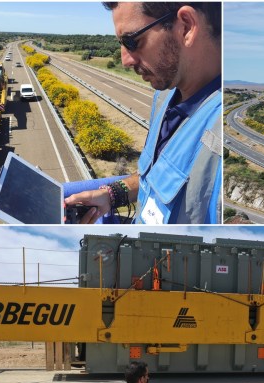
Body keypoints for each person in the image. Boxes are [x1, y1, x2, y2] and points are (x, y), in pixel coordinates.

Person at [66, 2, 222, 224]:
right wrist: (112, 195)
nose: (125, 60)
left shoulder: (219, 142)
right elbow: (155, 175)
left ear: (186, 26)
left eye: (132, 41)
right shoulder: (164, 95)